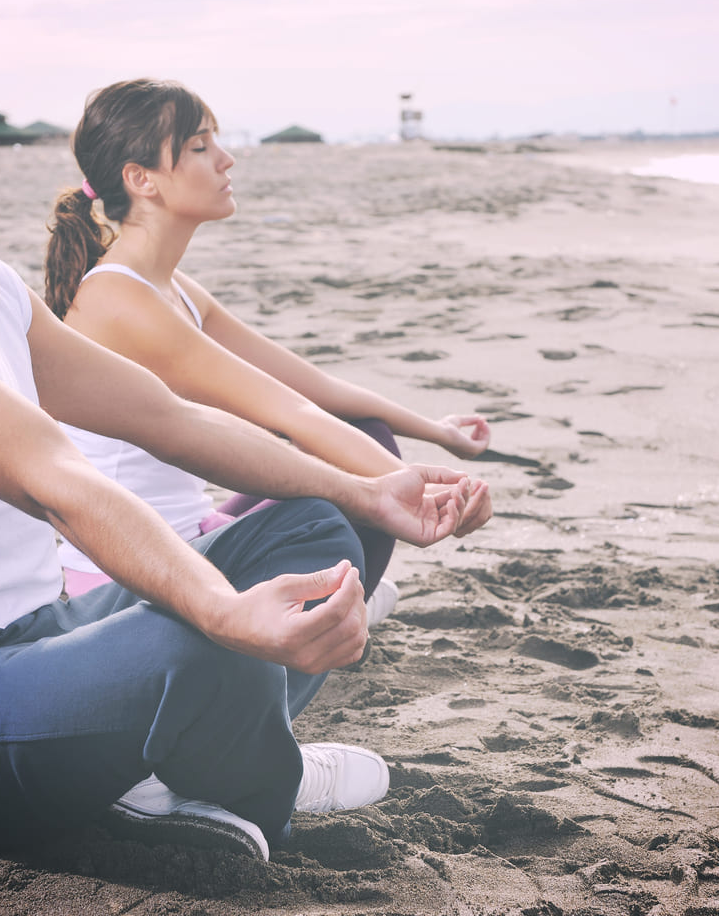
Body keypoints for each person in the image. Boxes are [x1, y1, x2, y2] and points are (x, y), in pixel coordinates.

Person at [0, 0, 490, 862]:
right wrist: (222, 616)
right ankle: (243, 769)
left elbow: (169, 419)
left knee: (316, 524)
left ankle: (180, 766)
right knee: (211, 641)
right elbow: (54, 479)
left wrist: (370, 488)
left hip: (38, 641)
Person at [43, 78, 492, 606]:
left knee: (359, 433)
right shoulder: (119, 299)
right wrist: (415, 491)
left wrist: (440, 435)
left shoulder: (170, 287)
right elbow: (291, 413)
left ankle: (337, 607)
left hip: (195, 534)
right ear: (142, 179)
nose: (226, 160)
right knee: (336, 491)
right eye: (200, 147)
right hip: (133, 576)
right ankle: (332, 615)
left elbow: (313, 389)